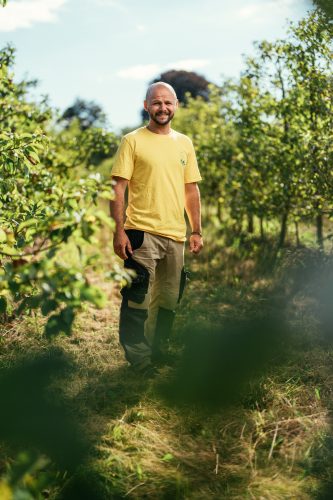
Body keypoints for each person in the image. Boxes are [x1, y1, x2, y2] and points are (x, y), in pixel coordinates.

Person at [110, 81, 203, 376]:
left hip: (175, 234)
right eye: (156, 102)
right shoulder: (132, 140)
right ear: (146, 105)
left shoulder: (184, 143)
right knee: (138, 298)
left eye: (168, 103)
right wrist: (119, 230)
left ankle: (158, 351)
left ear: (176, 105)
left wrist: (196, 230)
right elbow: (118, 187)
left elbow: (191, 190)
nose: (162, 108)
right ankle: (138, 359)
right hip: (141, 231)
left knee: (168, 298)